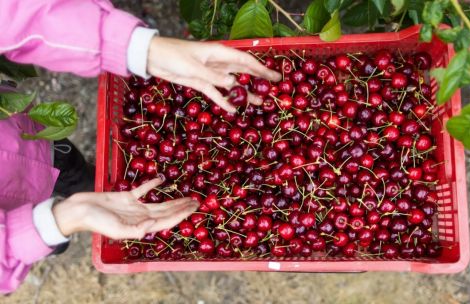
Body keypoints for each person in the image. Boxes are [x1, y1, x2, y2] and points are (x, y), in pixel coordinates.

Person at [0, 0, 281, 294]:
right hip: (24, 225)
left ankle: (84, 185)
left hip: (24, 139)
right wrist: (56, 222)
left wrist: (142, 49)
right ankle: (65, 218)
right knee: (54, 234)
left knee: (74, 170)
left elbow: (14, 12)